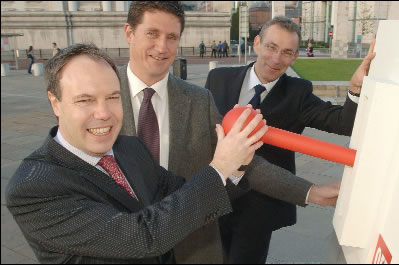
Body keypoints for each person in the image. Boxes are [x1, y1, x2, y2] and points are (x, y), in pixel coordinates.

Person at [6, 43, 267, 264]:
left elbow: (182, 193)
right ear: (56, 103)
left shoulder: (130, 147)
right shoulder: (33, 187)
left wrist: (235, 167)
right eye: (85, 100)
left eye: (113, 97)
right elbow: (142, 236)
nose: (104, 113)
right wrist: (220, 166)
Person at [120, 2, 340, 263]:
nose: (162, 47)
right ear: (129, 33)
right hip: (118, 243)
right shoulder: (98, 97)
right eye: (152, 33)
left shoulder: (198, 100)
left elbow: (244, 162)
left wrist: (311, 191)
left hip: (188, 247)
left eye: (172, 37)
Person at [205, 16, 376, 264]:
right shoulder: (218, 78)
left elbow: (342, 123)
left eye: (286, 52)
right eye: (271, 47)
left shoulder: (298, 93)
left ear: (295, 57)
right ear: (257, 44)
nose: (276, 59)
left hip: (260, 204)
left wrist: (355, 87)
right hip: (212, 198)